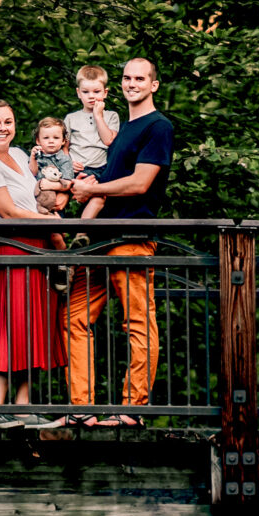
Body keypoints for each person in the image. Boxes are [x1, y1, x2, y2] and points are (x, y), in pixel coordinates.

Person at [65, 58, 175, 424]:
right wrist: (87, 185)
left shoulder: (158, 127)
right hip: (99, 240)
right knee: (74, 318)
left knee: (138, 323)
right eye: (127, 77)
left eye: (140, 78)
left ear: (154, 85)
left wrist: (91, 189)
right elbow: (113, 176)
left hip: (132, 237)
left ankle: (132, 409)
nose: (132, 83)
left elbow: (140, 183)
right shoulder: (124, 127)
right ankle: (82, 411)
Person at [0, 100, 70, 431]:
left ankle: (23, 407)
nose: (2, 128)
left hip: (38, 249)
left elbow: (42, 192)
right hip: (13, 249)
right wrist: (49, 220)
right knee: (11, 326)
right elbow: (8, 211)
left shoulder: (23, 156)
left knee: (31, 327)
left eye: (8, 122)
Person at [60, 65, 120, 239]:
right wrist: (67, 161)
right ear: (78, 93)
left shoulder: (111, 116)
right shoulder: (71, 118)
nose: (91, 96)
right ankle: (59, 235)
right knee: (60, 197)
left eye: (96, 91)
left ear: (105, 93)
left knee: (99, 198)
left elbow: (109, 140)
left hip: (101, 169)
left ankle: (81, 236)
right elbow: (65, 146)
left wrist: (98, 116)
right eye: (86, 92)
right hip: (77, 169)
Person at [28, 117, 78, 215]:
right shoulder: (38, 156)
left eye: (56, 138)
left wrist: (51, 185)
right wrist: (33, 158)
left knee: (55, 226)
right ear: (38, 141)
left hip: (55, 201)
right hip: (36, 201)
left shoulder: (64, 159)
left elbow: (67, 183)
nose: (51, 141)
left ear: (63, 140)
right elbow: (33, 172)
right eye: (46, 138)